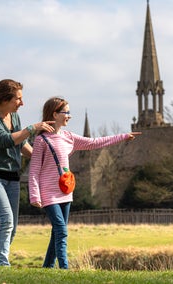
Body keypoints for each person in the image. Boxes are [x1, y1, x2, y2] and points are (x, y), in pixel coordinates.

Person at [28, 97, 141, 269]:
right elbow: (34, 170)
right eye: (66, 112)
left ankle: (47, 267)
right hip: (48, 193)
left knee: (57, 231)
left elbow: (94, 143)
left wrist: (123, 136)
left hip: (65, 191)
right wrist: (34, 195)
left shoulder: (68, 137)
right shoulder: (41, 140)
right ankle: (64, 268)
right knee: (61, 230)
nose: (69, 116)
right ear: (54, 114)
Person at [0, 79, 54, 266]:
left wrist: (43, 160)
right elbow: (5, 140)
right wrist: (32, 128)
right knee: (6, 219)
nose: (22, 103)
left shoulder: (15, 117)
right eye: (18, 99)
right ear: (5, 99)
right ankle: (3, 264)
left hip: (12, 176)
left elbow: (20, 144)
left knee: (12, 227)